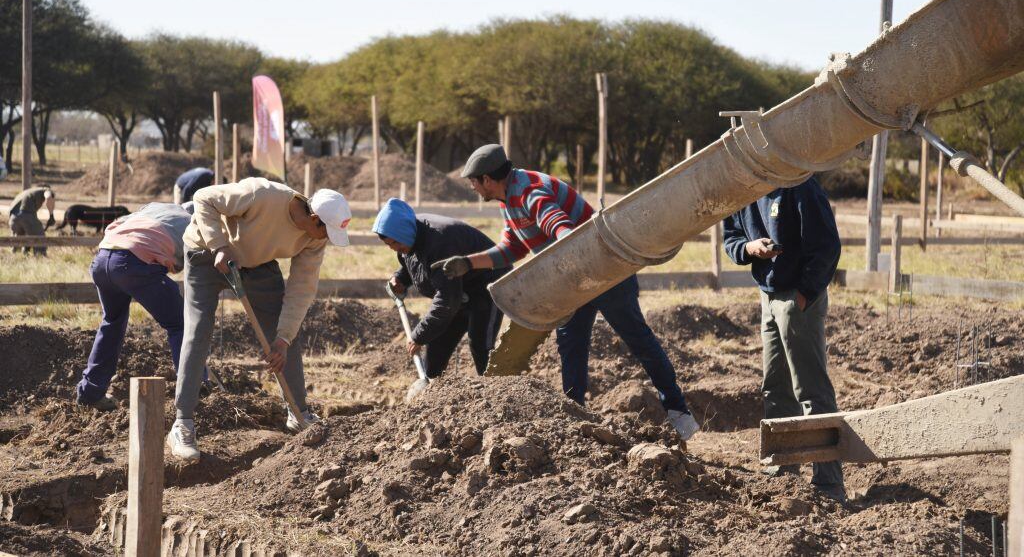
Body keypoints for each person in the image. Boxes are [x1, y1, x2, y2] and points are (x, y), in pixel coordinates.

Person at [434, 144, 700, 441]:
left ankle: (679, 412)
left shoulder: (530, 191)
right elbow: (513, 248)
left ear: (487, 179)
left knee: (638, 340)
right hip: (572, 280)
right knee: (571, 347)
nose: (471, 186)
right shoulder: (508, 199)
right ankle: (578, 422)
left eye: (473, 180)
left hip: (605, 271)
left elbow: (559, 226)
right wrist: (468, 263)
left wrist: (565, 248)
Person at [167, 178, 352, 462]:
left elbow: (302, 287)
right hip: (206, 253)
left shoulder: (314, 240)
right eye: (324, 231)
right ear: (313, 217)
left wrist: (283, 338)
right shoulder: (263, 195)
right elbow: (204, 198)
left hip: (258, 263)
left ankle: (298, 412)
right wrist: (219, 245)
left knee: (288, 331)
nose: (325, 238)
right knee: (198, 331)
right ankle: (183, 423)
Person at [722, 177, 845, 501]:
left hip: (797, 297)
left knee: (810, 388)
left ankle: (828, 483)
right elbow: (731, 238)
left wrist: (804, 294)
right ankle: (782, 470)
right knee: (775, 385)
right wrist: (750, 248)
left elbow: (828, 246)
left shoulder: (800, 185)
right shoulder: (743, 188)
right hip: (768, 295)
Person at [75, 202, 194, 411]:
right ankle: (194, 392)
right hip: (133, 265)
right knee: (180, 323)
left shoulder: (155, 208)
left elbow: (114, 225)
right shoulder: (192, 224)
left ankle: (90, 393)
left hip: (103, 259)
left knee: (112, 322)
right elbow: (190, 267)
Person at [373, 198, 506, 378]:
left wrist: (418, 335)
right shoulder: (409, 236)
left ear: (404, 232)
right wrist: (401, 278)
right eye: (389, 245)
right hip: (457, 288)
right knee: (437, 346)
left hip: (488, 284)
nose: (394, 249)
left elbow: (446, 300)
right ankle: (432, 393)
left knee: (480, 345)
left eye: (395, 244)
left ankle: (498, 393)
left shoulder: (440, 242)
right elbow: (414, 261)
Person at [8, 185, 56, 255]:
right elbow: (48, 197)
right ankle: (40, 258)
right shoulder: (46, 190)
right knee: (40, 240)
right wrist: (51, 216)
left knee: (18, 240)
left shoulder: (28, 192)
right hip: (26, 215)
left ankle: (17, 257)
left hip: (13, 218)